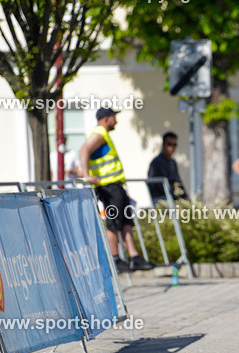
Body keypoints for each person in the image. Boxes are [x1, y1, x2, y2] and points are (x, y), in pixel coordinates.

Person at [79, 107, 153, 273]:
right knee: (113, 222)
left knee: (126, 221)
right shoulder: (99, 133)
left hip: (115, 186)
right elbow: (84, 150)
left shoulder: (103, 135)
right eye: (114, 117)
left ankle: (134, 257)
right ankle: (115, 258)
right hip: (108, 187)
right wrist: (86, 175)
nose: (116, 121)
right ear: (106, 119)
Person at [147, 131, 187, 204]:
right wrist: (176, 198)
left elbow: (178, 182)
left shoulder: (172, 162)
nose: (172, 147)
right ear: (163, 145)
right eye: (169, 144)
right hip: (162, 201)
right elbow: (159, 186)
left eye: (174, 144)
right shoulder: (156, 163)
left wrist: (186, 199)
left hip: (173, 199)